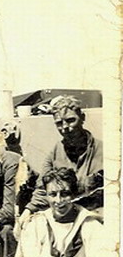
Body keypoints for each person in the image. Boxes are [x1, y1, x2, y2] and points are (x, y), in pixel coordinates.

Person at [18, 96, 103, 231]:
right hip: (65, 219)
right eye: (59, 123)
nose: (65, 128)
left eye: (70, 120)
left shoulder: (105, 152)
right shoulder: (55, 153)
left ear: (82, 117)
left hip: (96, 220)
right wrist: (28, 211)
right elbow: (42, 188)